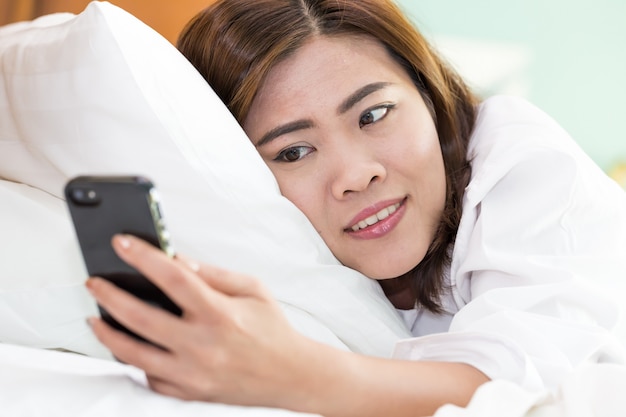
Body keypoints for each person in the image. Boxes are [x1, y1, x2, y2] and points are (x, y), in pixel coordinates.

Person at [84, 0, 626, 416]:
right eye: (293, 151)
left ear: (429, 97)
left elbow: (521, 387)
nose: (356, 174)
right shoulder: (269, 240)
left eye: (374, 114)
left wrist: (291, 373)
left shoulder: (520, 161)